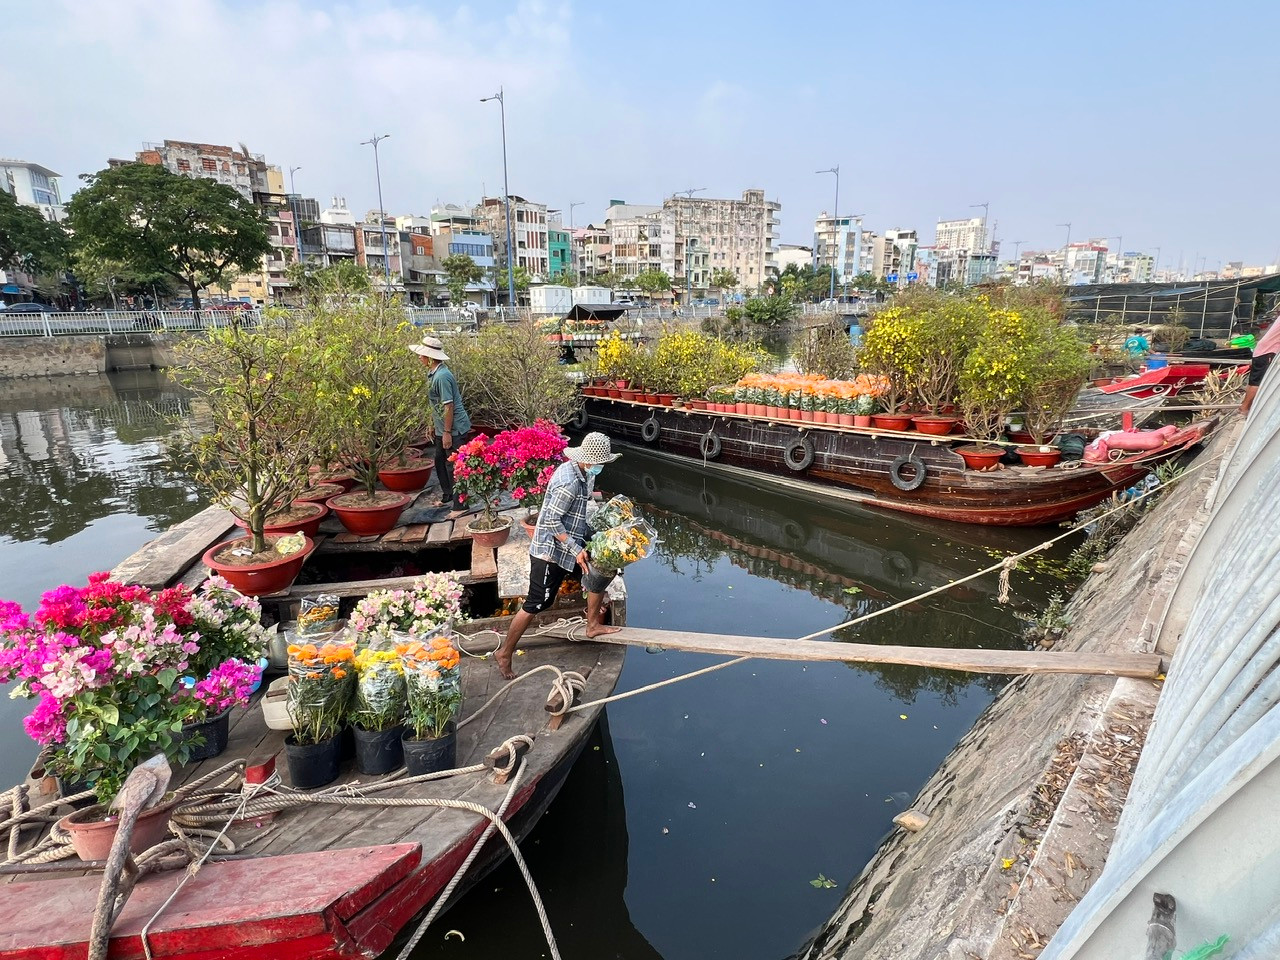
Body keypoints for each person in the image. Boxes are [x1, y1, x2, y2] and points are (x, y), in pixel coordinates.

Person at [496, 432, 622, 679]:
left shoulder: (585, 474)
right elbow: (552, 521)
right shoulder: (568, 481)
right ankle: (505, 652)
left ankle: (592, 625)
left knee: (600, 571)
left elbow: (581, 511)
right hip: (550, 552)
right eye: (601, 463)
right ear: (588, 460)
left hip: (572, 540)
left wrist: (600, 532)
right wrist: (576, 550)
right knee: (538, 603)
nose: (602, 467)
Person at [409, 334, 472, 517]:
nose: (419, 358)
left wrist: (446, 432)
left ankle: (461, 506)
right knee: (440, 462)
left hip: (454, 429)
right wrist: (432, 425)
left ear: (429, 357)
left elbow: (449, 405)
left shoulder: (443, 376)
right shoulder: (432, 374)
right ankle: (448, 496)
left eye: (421, 355)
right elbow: (435, 404)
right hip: (442, 427)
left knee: (455, 466)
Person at [1240, 315, 1280, 415]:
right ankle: (1244, 408)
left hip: (1262, 350)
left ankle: (1247, 406)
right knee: (1258, 383)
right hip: (1268, 352)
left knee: (1254, 381)